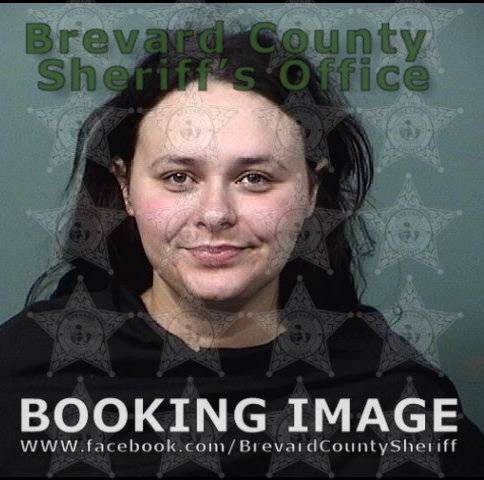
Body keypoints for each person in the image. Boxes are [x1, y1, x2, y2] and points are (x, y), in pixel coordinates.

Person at [1, 30, 483, 478]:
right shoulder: (23, 377)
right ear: (125, 186)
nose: (215, 213)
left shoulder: (398, 398)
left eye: (255, 178)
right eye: (178, 177)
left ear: (312, 190)